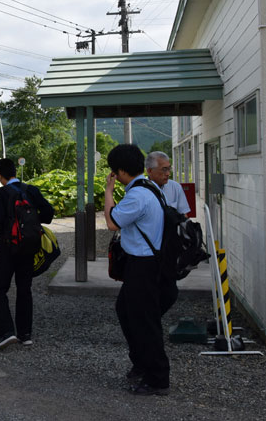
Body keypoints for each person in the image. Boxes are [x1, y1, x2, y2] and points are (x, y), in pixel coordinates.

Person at [104, 144, 170, 396]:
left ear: (120, 171)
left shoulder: (137, 195)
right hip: (144, 264)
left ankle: (157, 379)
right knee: (126, 311)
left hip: (144, 266)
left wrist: (108, 191)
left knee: (145, 323)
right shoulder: (150, 187)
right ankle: (142, 363)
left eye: (114, 173)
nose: (114, 177)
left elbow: (111, 222)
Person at [0, 158, 54, 351]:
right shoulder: (31, 190)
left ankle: (7, 332)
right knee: (24, 288)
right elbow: (48, 214)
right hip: (29, 245)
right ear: (15, 172)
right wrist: (32, 219)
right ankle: (25, 334)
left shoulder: (0, 193)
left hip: (8, 247)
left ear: (0, 176)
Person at [145, 151, 191, 216]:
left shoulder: (175, 187)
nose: (168, 173)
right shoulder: (141, 190)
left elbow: (184, 216)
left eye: (169, 169)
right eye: (164, 169)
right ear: (149, 171)